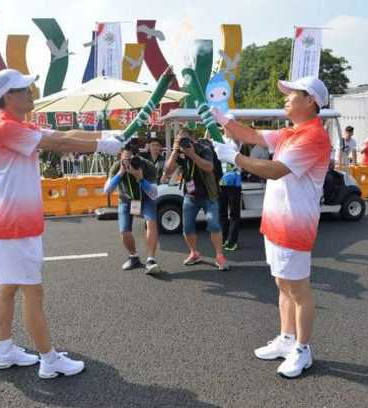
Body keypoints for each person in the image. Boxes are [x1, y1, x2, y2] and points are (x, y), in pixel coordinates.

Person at [0, 69, 123, 379]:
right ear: (7, 97)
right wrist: (103, 146)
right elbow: (60, 142)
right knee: (32, 294)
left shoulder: (19, 125)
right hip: (18, 227)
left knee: (7, 288)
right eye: (24, 88)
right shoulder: (5, 128)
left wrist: (106, 135)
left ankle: (4, 351)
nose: (31, 91)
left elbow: (68, 133)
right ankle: (48, 360)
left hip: (10, 224)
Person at [210, 76, 331, 378]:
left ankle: (302, 349)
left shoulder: (314, 136)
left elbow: (275, 170)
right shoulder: (289, 133)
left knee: (299, 290)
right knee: (282, 284)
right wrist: (222, 119)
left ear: (311, 100)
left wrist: (234, 157)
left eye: (292, 93)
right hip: (275, 223)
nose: (286, 97)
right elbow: (251, 135)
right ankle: (286, 338)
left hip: (295, 227)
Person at [163, 128, 229, 271]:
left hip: (209, 195)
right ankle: (194, 253)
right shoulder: (180, 152)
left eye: (185, 139)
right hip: (190, 196)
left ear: (193, 138)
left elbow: (209, 167)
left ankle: (220, 256)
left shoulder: (204, 149)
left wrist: (192, 154)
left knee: (213, 224)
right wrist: (174, 152)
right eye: (180, 140)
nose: (183, 143)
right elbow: (167, 171)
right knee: (187, 228)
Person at [104, 143, 160, 274]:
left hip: (146, 199)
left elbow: (154, 194)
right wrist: (121, 172)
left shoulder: (147, 165)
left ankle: (151, 260)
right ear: (120, 156)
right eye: (126, 159)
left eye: (131, 158)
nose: (129, 162)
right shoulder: (117, 166)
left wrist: (141, 178)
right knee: (124, 231)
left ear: (137, 156)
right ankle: (134, 257)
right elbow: (107, 190)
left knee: (151, 224)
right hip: (126, 200)